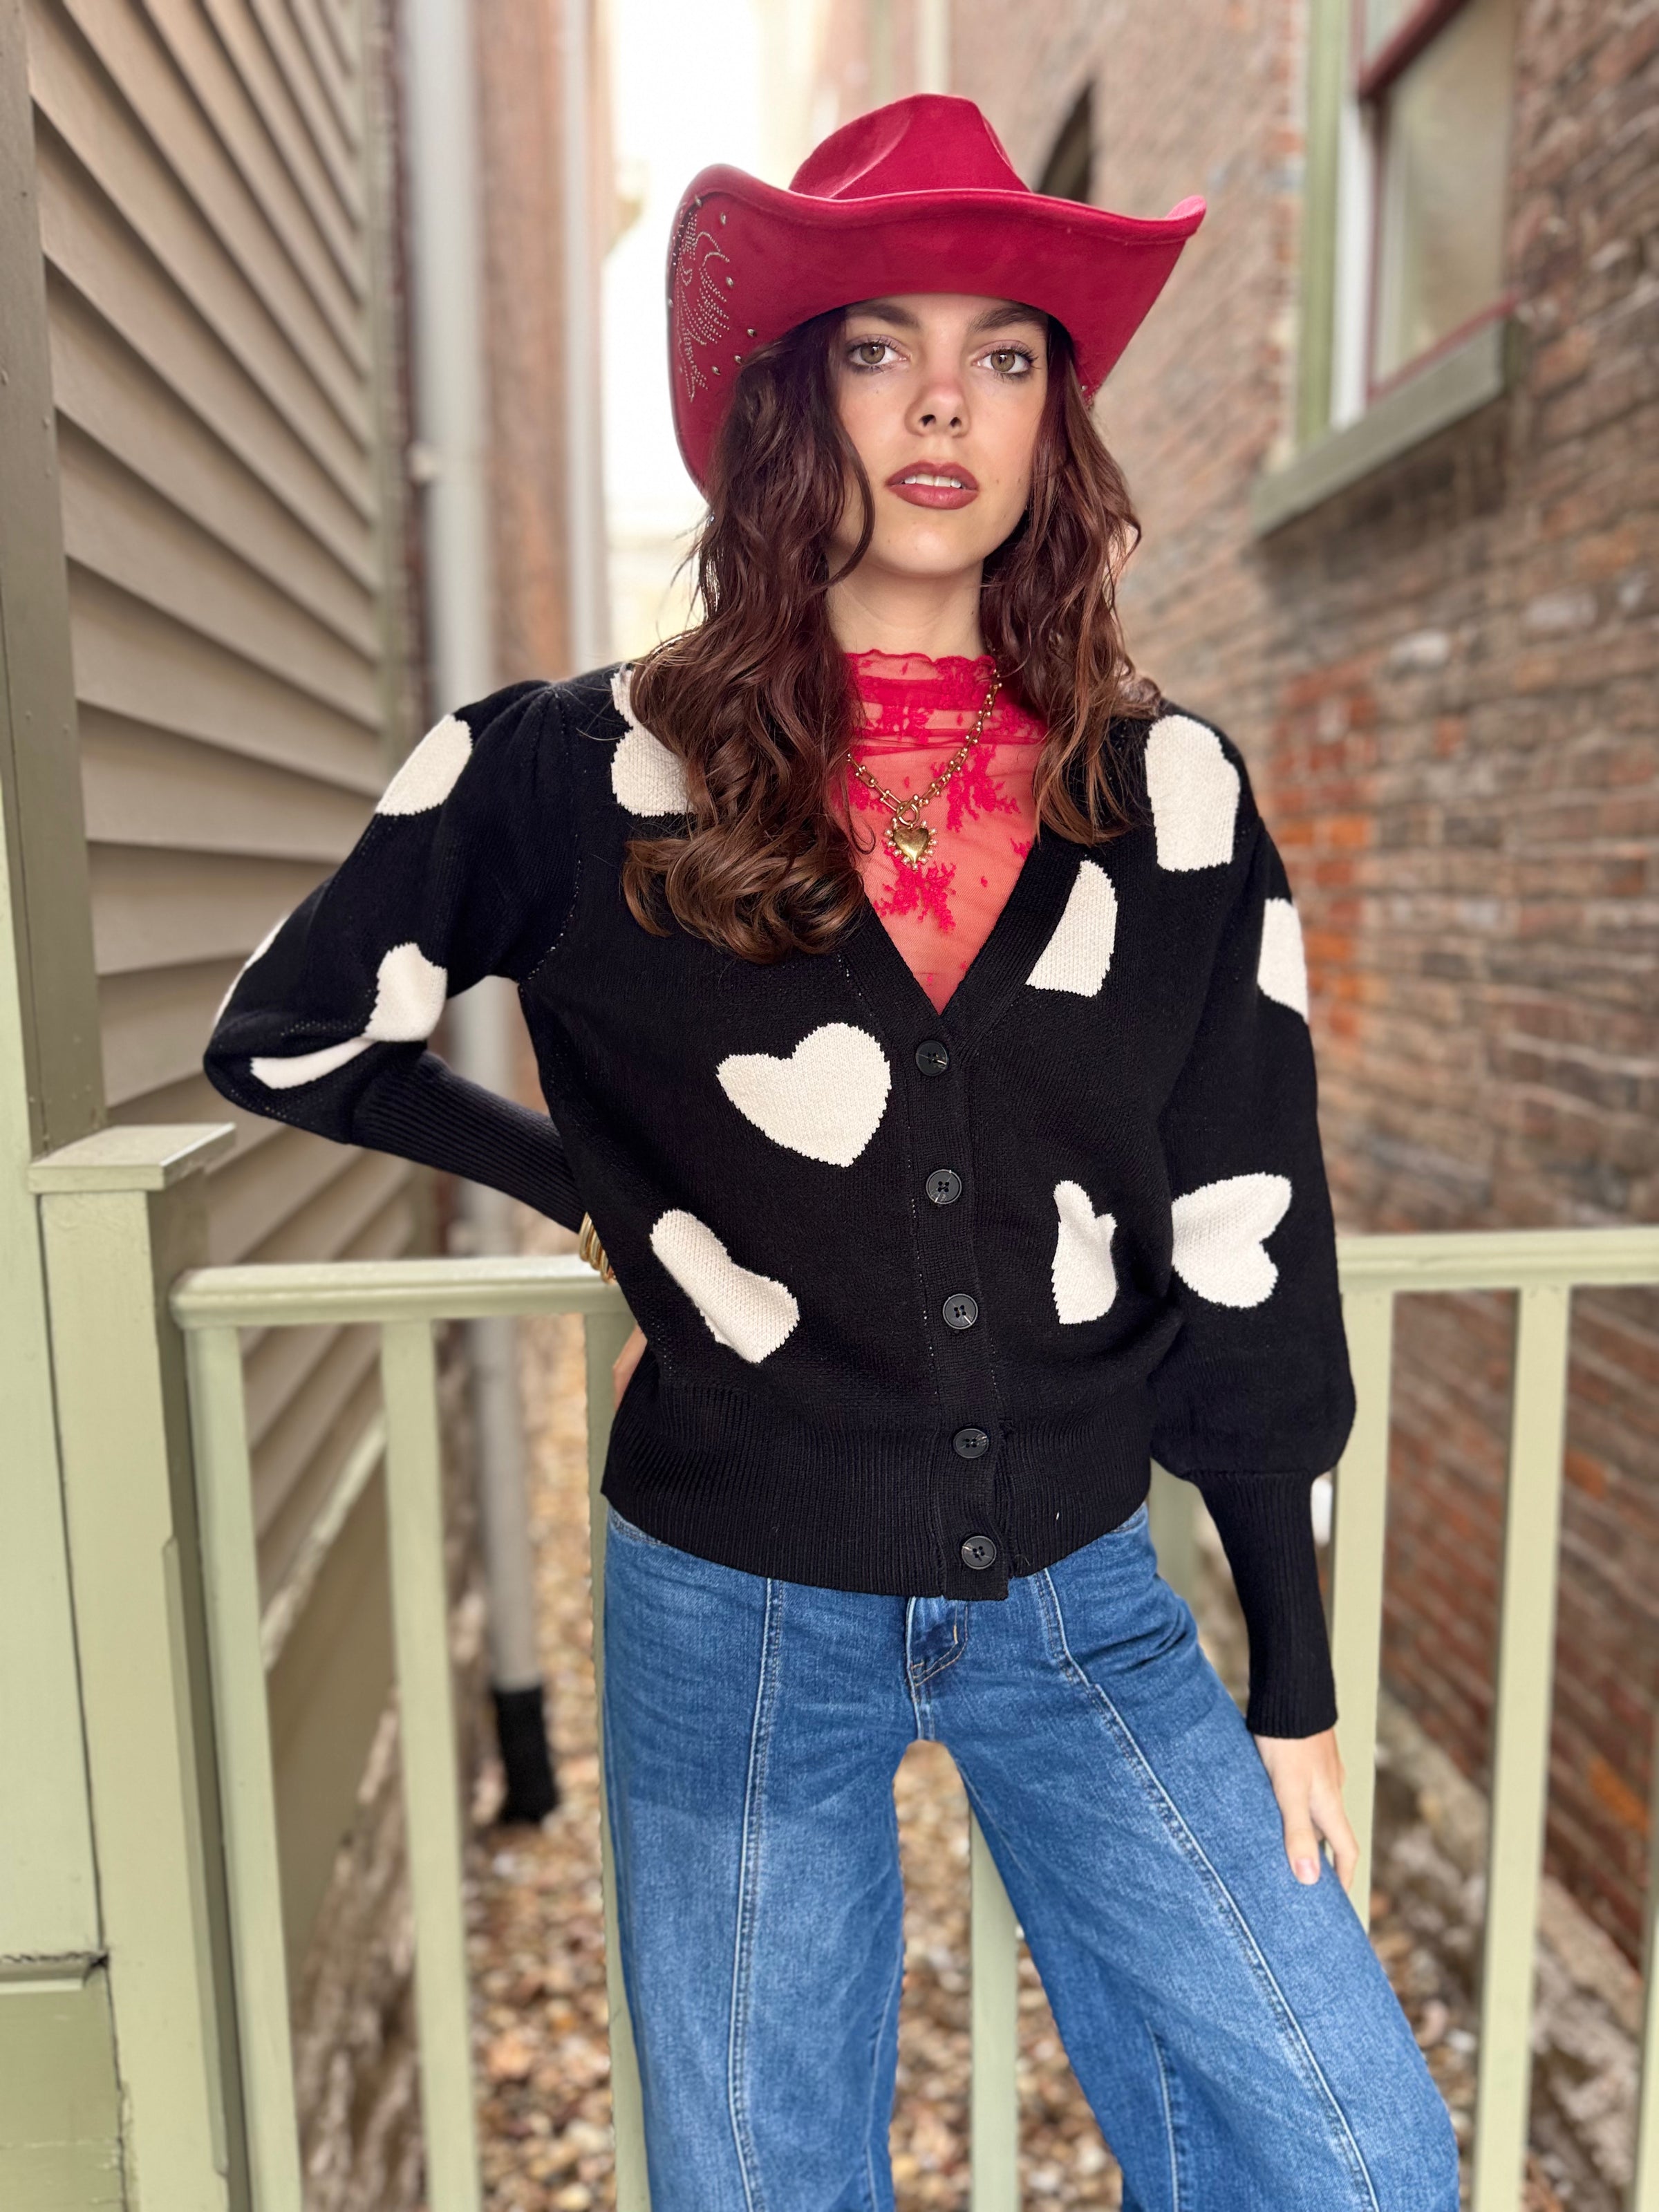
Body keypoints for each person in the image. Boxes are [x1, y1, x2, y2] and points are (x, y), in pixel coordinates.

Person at [206, 91, 1458, 2212]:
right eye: (882, 346)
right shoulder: (574, 772)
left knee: (1357, 2158)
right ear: (797, 400)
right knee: (762, 2182)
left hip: (1084, 1594)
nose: (945, 403)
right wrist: (600, 1203)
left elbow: (1253, 1233)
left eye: (1005, 353)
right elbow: (294, 1034)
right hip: (733, 1606)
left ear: (1055, 414)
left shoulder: (1168, 797)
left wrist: (1296, 1670)